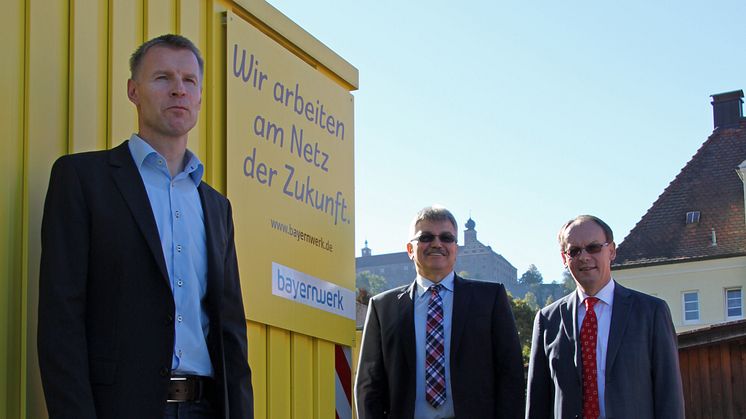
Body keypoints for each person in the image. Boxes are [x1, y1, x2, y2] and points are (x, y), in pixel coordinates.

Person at [38, 34, 253, 419]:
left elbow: (232, 336)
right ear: (133, 91)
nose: (178, 90)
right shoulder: (82, 180)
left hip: (205, 408)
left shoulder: (217, 208)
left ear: (200, 97)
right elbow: (60, 322)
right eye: (162, 78)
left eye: (189, 81)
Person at [355, 205, 524, 419]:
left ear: (456, 247)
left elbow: (511, 375)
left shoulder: (490, 299)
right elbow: (369, 386)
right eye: (426, 237)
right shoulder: (383, 307)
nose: (437, 243)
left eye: (446, 238)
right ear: (409, 249)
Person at [525, 215, 684, 419]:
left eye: (593, 247)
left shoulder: (650, 313)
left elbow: (668, 394)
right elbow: (538, 402)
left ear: (611, 251)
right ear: (564, 259)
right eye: (574, 251)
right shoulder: (547, 321)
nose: (584, 257)